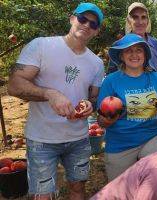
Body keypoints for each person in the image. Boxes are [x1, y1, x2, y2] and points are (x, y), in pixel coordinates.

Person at [7, 2, 104, 199]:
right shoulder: (42, 46)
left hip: (78, 138)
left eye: (93, 24)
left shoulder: (96, 63)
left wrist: (89, 105)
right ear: (72, 18)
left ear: (97, 32)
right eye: (82, 19)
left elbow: (94, 97)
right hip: (43, 139)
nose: (86, 25)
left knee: (78, 188)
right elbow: (14, 85)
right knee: (43, 196)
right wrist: (49, 93)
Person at [97, 33, 157, 181]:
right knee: (120, 191)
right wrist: (109, 119)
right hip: (120, 143)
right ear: (121, 56)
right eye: (128, 51)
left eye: (139, 50)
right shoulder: (111, 81)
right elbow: (101, 121)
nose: (134, 54)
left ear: (145, 54)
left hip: (151, 138)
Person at [107, 2, 157, 74]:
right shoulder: (119, 45)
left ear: (148, 21)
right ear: (129, 20)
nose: (140, 22)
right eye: (135, 17)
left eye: (143, 17)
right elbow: (111, 74)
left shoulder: (156, 44)